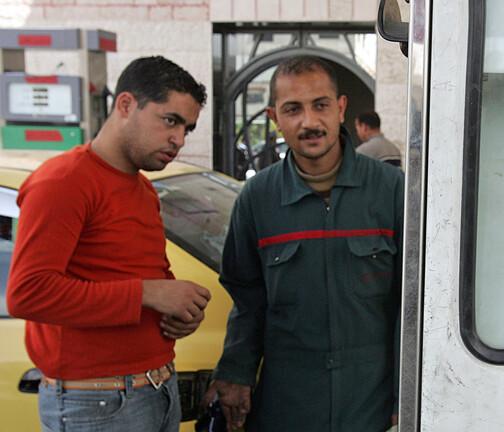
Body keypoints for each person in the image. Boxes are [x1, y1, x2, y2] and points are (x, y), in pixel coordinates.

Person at [6, 56, 211, 432]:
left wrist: (178, 312)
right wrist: (148, 294)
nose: (179, 140)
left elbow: (141, 279)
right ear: (126, 104)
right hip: (96, 403)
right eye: (170, 120)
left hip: (157, 389)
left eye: (188, 128)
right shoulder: (64, 181)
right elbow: (28, 294)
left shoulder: (143, 188)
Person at [207, 56, 404, 432]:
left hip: (371, 406)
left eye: (321, 105)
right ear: (274, 117)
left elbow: (412, 306)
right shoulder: (257, 198)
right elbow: (247, 300)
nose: (309, 122)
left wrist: (404, 396)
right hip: (287, 405)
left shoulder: (392, 190)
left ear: (341, 108)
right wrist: (235, 372)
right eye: (293, 109)